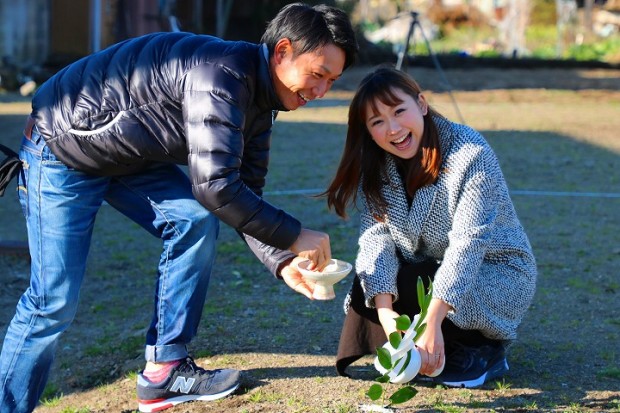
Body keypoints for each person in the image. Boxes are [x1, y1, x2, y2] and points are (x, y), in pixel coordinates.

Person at [0, 3, 358, 413]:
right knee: (54, 300)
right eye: (317, 75)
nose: (320, 92)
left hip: (126, 154)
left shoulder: (262, 99)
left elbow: (242, 196)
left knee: (195, 217)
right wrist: (296, 235)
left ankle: (164, 371)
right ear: (282, 52)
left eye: (331, 81)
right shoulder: (221, 77)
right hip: (62, 146)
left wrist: (281, 258)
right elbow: (218, 188)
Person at [324, 66, 537, 388]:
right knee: (369, 282)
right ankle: (430, 344)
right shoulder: (378, 163)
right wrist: (385, 312)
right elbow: (375, 238)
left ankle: (483, 349)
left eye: (399, 111)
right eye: (377, 121)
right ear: (367, 131)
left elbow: (469, 243)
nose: (393, 128)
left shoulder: (470, 153)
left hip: (494, 272)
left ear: (421, 105)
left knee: (418, 284)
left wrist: (434, 318)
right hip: (426, 268)